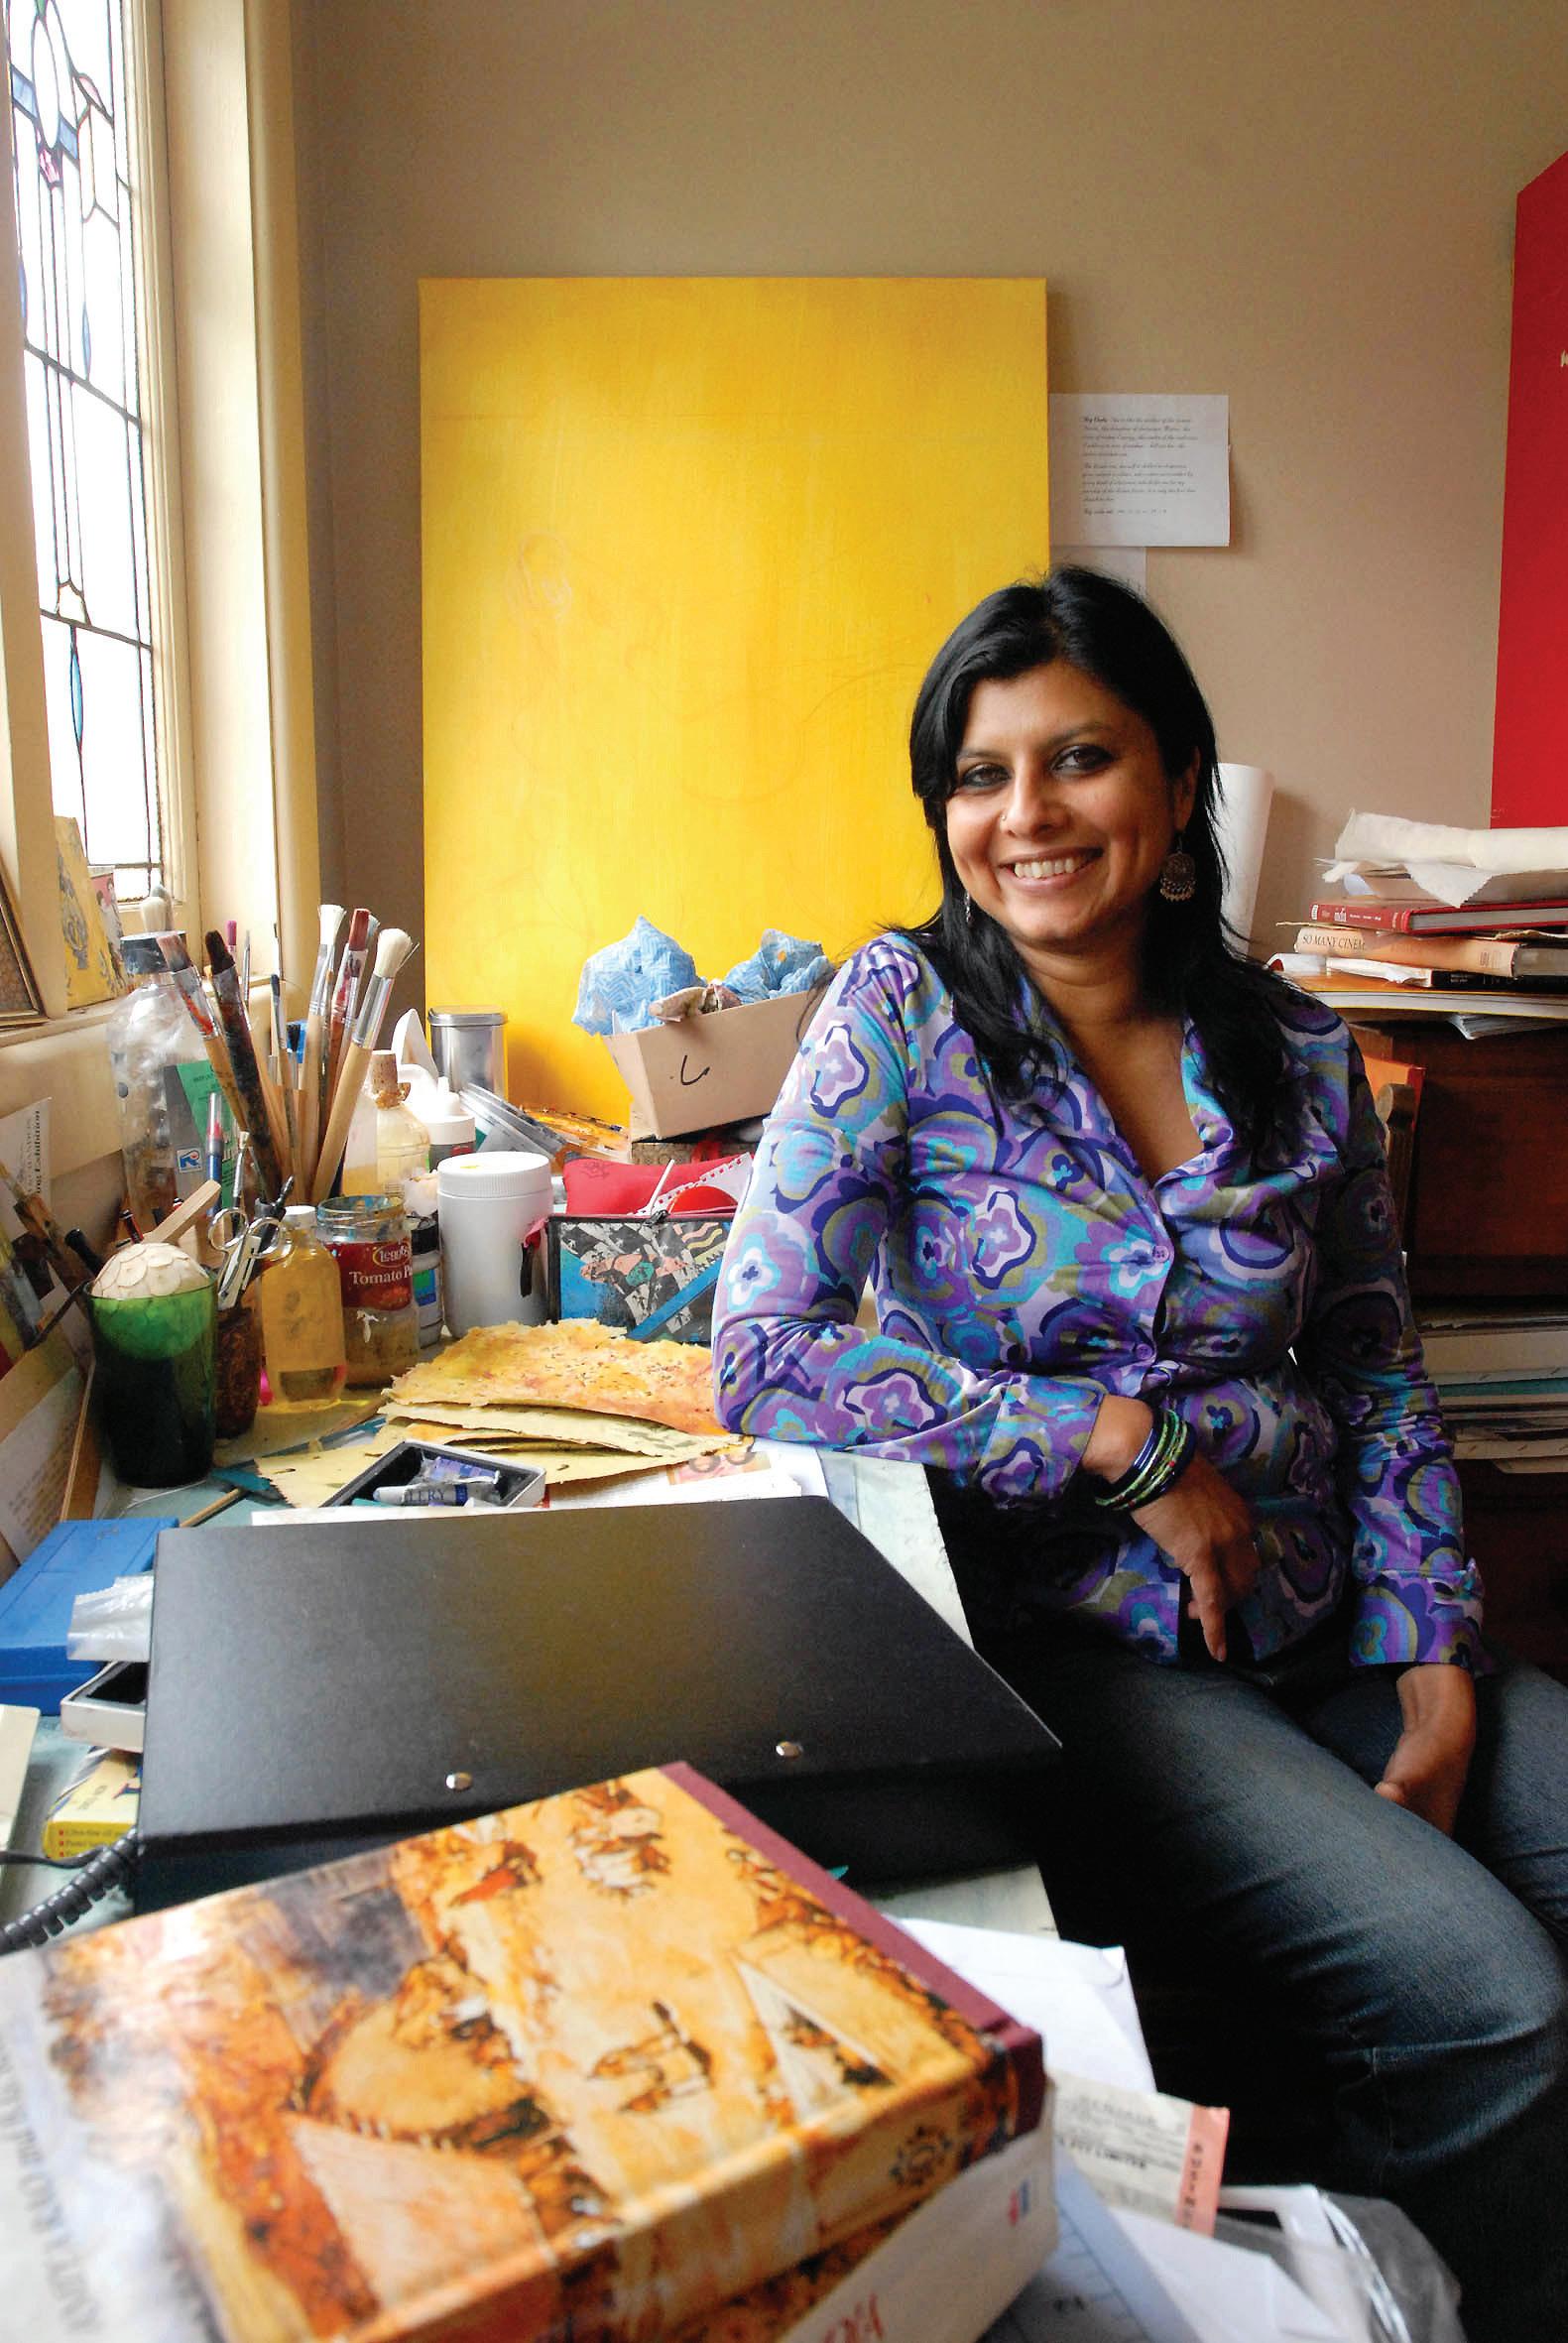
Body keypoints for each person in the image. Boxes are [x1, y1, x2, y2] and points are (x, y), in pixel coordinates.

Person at [711, 568, 1568, 2340]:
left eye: (1077, 758)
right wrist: (1112, 1439)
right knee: (1488, 1999)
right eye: (979, 773)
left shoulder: (1301, 1051)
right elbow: (764, 1352)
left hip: (1331, 1615)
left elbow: (1375, 1367)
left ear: (1177, 784)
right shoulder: (900, 1014)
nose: (1023, 812)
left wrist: (1433, 1644)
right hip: (1086, 1652)